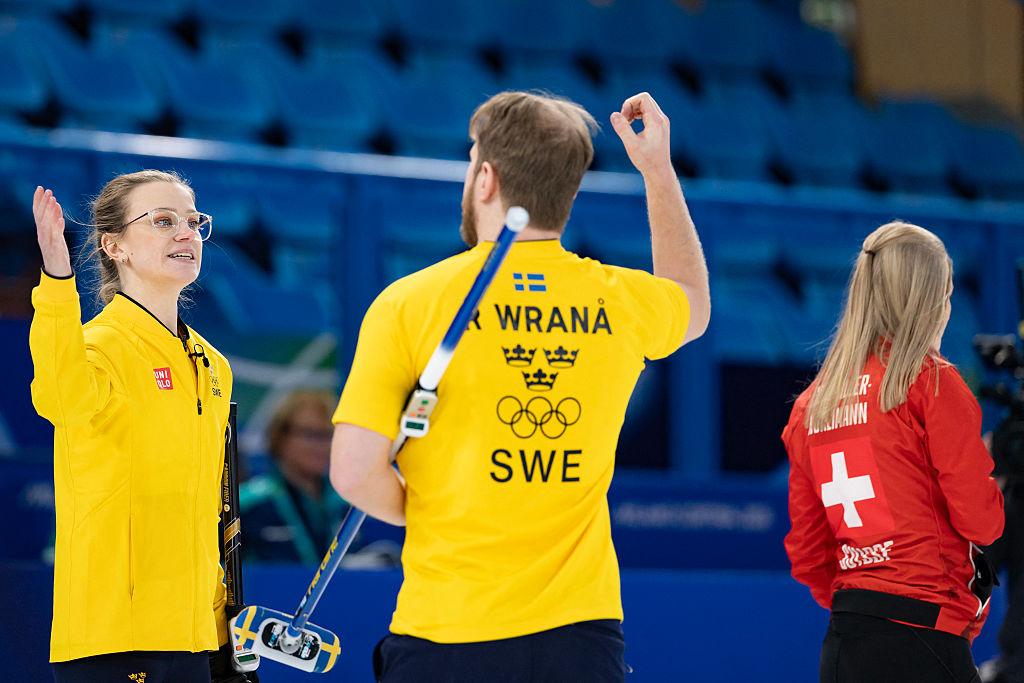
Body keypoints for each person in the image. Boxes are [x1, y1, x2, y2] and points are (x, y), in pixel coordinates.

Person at [329, 90, 710, 682]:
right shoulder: (620, 300)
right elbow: (692, 303)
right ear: (568, 191)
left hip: (448, 632)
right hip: (582, 638)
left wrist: (428, 509)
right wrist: (657, 171)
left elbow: (353, 474)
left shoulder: (408, 304)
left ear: (486, 179)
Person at [29, 172, 257, 683]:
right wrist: (58, 283)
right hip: (115, 638)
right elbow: (60, 398)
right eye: (162, 221)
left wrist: (226, 628)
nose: (186, 233)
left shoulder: (212, 365)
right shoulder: (95, 346)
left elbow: (212, 511)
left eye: (193, 221)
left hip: (199, 637)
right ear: (115, 246)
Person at [782, 222, 1005, 682]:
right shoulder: (932, 384)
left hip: (845, 641)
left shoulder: (810, 407)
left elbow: (807, 552)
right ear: (930, 303)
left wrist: (865, 596)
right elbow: (981, 521)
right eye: (946, 296)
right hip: (924, 636)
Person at [241, 390, 399, 566]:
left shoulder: (348, 503)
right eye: (311, 434)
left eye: (329, 435)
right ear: (280, 436)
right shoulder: (246, 504)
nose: (322, 446)